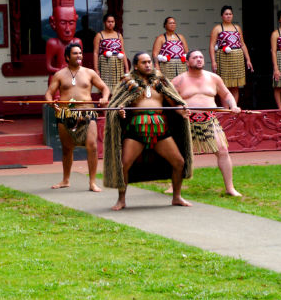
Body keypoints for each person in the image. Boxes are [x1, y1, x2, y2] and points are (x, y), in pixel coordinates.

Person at [103, 52, 193, 210]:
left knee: (179, 162)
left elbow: (174, 103)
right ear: (136, 66)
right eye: (144, 62)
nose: (148, 65)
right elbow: (118, 105)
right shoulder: (127, 83)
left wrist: (182, 111)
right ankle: (121, 200)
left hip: (159, 127)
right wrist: (120, 112)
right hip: (136, 128)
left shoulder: (161, 82)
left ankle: (177, 197)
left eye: (149, 62)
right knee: (124, 164)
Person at [171, 50, 242, 196]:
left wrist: (233, 105)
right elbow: (170, 102)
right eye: (195, 57)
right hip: (187, 121)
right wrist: (180, 111)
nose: (199, 59)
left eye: (201, 57)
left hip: (209, 120)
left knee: (223, 151)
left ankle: (230, 188)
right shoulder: (178, 81)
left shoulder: (213, 78)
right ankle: (173, 187)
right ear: (187, 61)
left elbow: (227, 94)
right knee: (179, 154)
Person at [45, 42, 110, 192]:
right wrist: (51, 103)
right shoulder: (59, 74)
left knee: (92, 146)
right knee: (67, 149)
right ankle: (65, 180)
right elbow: (49, 93)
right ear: (67, 57)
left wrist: (104, 98)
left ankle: (92, 182)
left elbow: (104, 88)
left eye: (80, 53)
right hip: (65, 113)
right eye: (75, 53)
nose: (79, 55)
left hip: (87, 112)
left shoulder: (89, 73)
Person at [209, 5, 253, 105]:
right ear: (222, 16)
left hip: (237, 57)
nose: (228, 16)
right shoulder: (217, 28)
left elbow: (242, 44)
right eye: (226, 14)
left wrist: (248, 59)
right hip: (223, 57)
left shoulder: (237, 28)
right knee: (224, 85)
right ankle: (226, 110)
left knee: (235, 85)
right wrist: (213, 61)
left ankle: (234, 107)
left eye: (230, 14)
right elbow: (212, 46)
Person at [92, 13, 130, 92]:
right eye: (108, 22)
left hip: (118, 65)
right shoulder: (99, 35)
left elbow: (123, 51)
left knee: (119, 88)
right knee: (106, 87)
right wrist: (96, 69)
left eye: (112, 22)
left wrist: (126, 68)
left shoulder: (119, 35)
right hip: (105, 64)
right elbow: (95, 53)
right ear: (104, 22)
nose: (110, 23)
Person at [45, 5, 83, 78]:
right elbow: (49, 67)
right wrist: (61, 70)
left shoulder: (77, 42)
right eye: (63, 23)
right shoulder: (53, 43)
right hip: (59, 77)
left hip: (73, 76)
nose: (68, 29)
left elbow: (80, 64)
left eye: (71, 23)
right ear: (53, 23)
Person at [152, 16, 188, 81]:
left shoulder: (181, 37)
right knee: (168, 85)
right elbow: (155, 54)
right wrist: (157, 66)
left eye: (174, 23)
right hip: (167, 67)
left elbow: (187, 52)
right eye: (170, 23)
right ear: (165, 25)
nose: (172, 25)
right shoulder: (160, 38)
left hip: (181, 66)